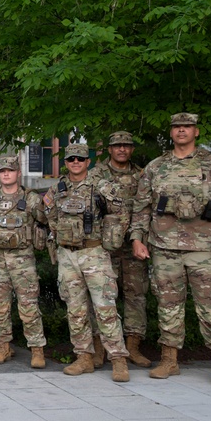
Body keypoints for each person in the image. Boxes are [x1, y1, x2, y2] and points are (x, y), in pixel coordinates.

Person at [131, 113, 211, 386]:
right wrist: (137, 238)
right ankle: (169, 361)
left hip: (205, 248)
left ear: (196, 131)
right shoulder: (156, 167)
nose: (181, 131)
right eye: (177, 127)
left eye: (187, 127)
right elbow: (141, 207)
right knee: (168, 306)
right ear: (171, 133)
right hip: (164, 247)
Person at [44, 143, 130, 382]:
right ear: (66, 162)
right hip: (68, 256)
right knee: (75, 309)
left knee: (105, 308)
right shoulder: (57, 188)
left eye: (80, 159)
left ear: (87, 161)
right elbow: (49, 215)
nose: (75, 162)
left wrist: (111, 237)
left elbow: (120, 214)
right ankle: (84, 356)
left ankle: (118, 359)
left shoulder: (101, 186)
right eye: (71, 158)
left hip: (94, 254)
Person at [88, 131, 152, 367]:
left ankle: (133, 347)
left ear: (132, 149)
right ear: (110, 149)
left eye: (126, 145)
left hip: (134, 244)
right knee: (102, 295)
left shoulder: (142, 176)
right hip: (105, 246)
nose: (122, 149)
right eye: (117, 146)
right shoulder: (96, 175)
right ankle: (100, 348)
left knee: (136, 295)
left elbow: (147, 209)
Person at [0, 155, 47, 368]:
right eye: (2, 171)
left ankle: (37, 350)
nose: (6, 173)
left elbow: (44, 221)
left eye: (10, 170)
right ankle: (2, 347)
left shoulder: (32, 199)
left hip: (22, 260)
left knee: (29, 306)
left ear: (18, 173)